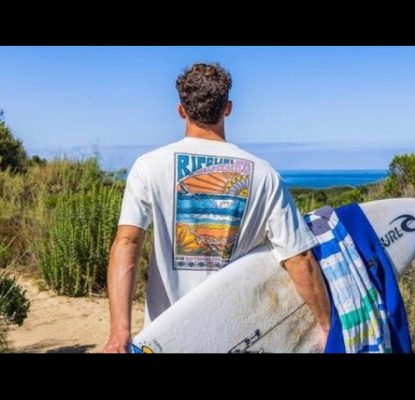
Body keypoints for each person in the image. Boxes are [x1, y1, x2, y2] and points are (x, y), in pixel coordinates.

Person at [103, 63, 331, 353]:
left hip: (165, 340)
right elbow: (298, 258)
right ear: (228, 108)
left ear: (181, 110)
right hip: (239, 337)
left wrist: (119, 332)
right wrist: (326, 325)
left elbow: (127, 242)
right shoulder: (263, 174)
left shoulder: (148, 166)